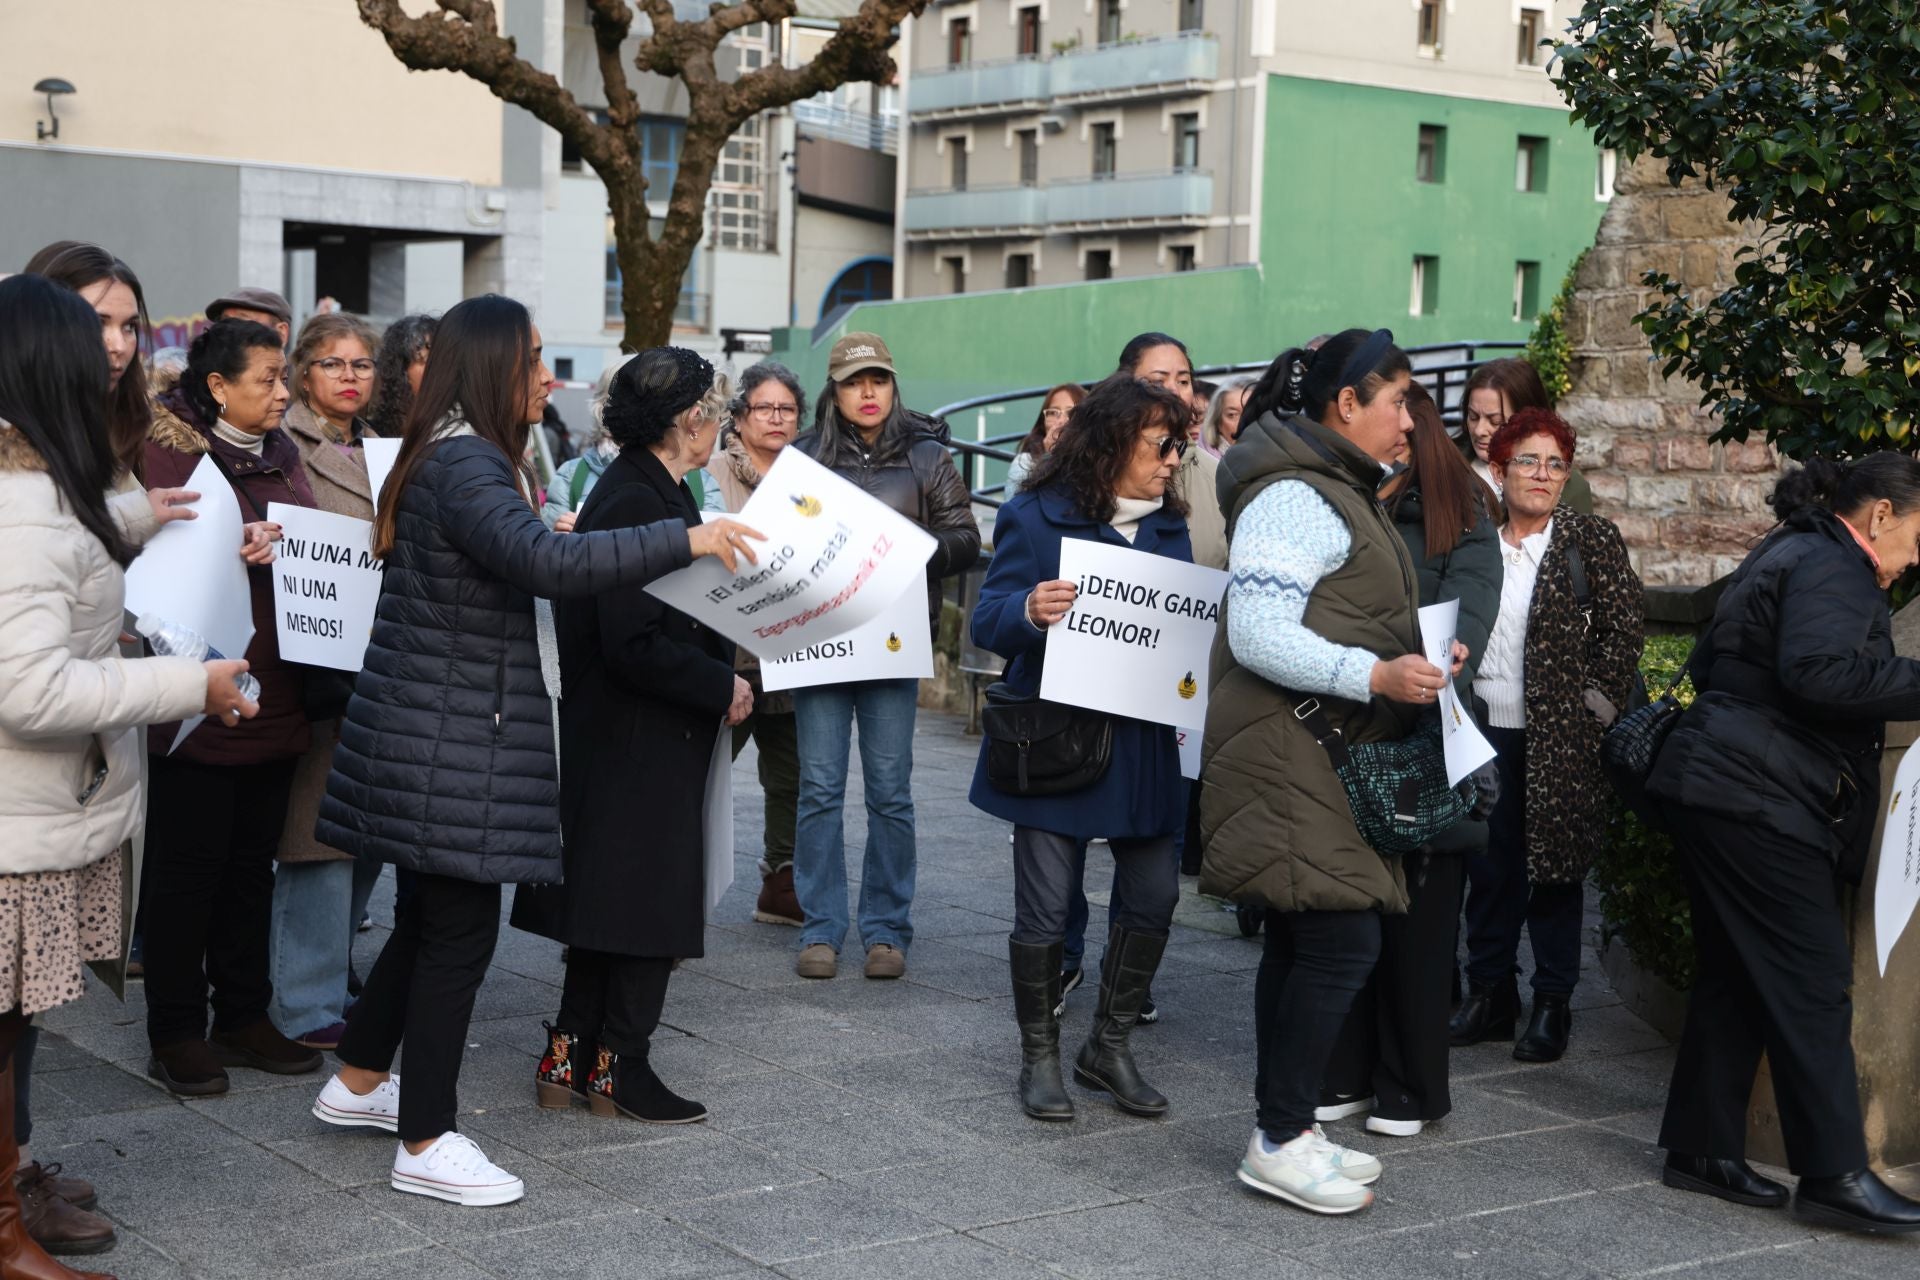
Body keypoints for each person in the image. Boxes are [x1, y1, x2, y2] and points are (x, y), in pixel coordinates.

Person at [307, 294, 761, 1208]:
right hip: (452, 738)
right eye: (535, 359)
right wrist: (689, 534)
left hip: (432, 731)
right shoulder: (470, 463)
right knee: (457, 936)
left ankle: (357, 1080)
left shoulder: (457, 461)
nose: (549, 377)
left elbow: (519, 557)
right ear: (492, 369)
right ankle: (427, 1137)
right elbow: (552, 570)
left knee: (431, 921)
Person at [0, 273, 259, 1280]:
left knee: (13, 1031)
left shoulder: (42, 485)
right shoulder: (23, 504)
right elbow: (27, 685)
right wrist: (182, 679)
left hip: (32, 812)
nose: (118, 359)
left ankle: (13, 1194)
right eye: (95, 340)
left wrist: (136, 519)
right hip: (18, 818)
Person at [1201, 328, 1460, 1215]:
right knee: (1341, 941)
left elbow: (1334, 616)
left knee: (1306, 937)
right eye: (1400, 401)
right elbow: (1260, 635)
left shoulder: (1337, 490)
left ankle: (1290, 1126)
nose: (1411, 419)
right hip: (1293, 754)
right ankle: (1277, 1138)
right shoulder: (1296, 497)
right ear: (1346, 404)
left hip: (1309, 750)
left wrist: (1414, 655)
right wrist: (1379, 675)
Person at [1648, 455, 1920, 1233]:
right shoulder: (1835, 567)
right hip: (1756, 798)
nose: (1917, 556)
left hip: (1716, 783)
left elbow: (1734, 662)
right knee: (1811, 979)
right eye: (1918, 535)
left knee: (1736, 973)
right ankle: (1835, 1172)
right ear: (1880, 517)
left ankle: (1700, 1149)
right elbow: (1817, 675)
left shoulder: (1789, 546)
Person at [515, 348, 742, 1124]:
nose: (721, 425)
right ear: (690, 420)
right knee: (645, 907)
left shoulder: (642, 486)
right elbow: (634, 640)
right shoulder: (640, 498)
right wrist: (724, 684)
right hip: (638, 734)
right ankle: (620, 1068)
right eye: (717, 411)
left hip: (622, 734)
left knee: (607, 908)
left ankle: (568, 1057)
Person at [970, 375, 1194, 1123]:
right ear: (1116, 442)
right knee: (1042, 910)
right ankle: (1039, 1057)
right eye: (1163, 445)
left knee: (1156, 894)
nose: (1173, 461)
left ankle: (1109, 1045)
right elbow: (987, 618)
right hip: (1055, 742)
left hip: (1142, 746)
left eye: (1180, 446)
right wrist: (1029, 611)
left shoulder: (1171, 525)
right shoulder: (1035, 515)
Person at [141, 320, 325, 1097]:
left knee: (253, 867)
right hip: (198, 698)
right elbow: (153, 563)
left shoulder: (283, 456)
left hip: (278, 691)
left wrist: (294, 541)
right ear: (217, 386)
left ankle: (244, 1017)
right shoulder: (171, 451)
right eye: (268, 379)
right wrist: (235, 541)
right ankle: (176, 1030)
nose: (284, 392)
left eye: (286, 377)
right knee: (187, 874)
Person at [1318, 381, 1500, 1137]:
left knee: (1424, 927)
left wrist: (1437, 659)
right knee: (1350, 913)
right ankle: (1346, 1073)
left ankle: (1410, 1086)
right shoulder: (1346, 508)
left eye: (1402, 426)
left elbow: (1470, 624)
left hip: (1428, 735)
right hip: (1351, 726)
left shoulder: (1464, 523)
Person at [1453, 408, 1643, 1062]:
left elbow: (1623, 633)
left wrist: (1594, 710)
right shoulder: (1476, 542)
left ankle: (1553, 1003)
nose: (1542, 474)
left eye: (1555, 463)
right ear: (1499, 471)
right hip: (1485, 732)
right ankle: (1490, 995)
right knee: (1489, 870)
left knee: (1557, 875)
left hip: (1563, 739)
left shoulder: (1588, 539)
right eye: (1528, 461)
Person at [788, 333, 980, 981]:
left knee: (890, 792)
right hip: (821, 642)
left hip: (894, 644)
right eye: (852, 381)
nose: (867, 393)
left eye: (878, 380)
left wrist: (907, 547)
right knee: (818, 788)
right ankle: (820, 927)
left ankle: (886, 929)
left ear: (893, 385)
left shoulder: (927, 455)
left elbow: (965, 540)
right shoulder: (802, 458)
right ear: (833, 391)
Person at [270, 312, 386, 1051]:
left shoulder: (383, 449)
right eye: (333, 364)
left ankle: (336, 974)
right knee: (317, 835)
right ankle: (303, 1000)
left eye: (362, 364)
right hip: (320, 664)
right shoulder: (289, 446)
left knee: (373, 830)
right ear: (302, 373)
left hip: (386, 658)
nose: (350, 377)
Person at [707, 361, 805, 926]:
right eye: (763, 408)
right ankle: (675, 886)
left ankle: (781, 879)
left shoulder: (810, 480)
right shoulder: (711, 474)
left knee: (790, 775)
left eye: (786, 409)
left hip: (790, 654)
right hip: (725, 653)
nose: (775, 417)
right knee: (702, 774)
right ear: (739, 418)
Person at [23, 242, 154, 481]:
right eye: (97, 322)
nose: (119, 346)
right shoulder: (16, 436)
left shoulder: (124, 423)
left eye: (129, 327)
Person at [1459, 358, 1593, 515]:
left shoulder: (1570, 489)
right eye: (1473, 416)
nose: (1479, 430)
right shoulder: (1443, 465)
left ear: (1529, 419)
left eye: (1496, 421)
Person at [541, 358, 628, 533]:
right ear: (604, 406)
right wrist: (557, 537)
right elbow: (543, 552)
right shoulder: (572, 477)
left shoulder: (693, 480)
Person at [1006, 384, 1087, 493]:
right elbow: (1016, 505)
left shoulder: (1094, 462)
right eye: (1053, 413)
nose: (1061, 421)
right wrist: (1050, 458)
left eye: (1070, 413)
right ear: (1043, 422)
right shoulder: (1024, 463)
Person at [367, 314, 436, 442]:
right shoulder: (370, 433)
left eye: (439, 360)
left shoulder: (458, 426)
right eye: (424, 360)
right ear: (400, 369)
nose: (435, 369)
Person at [205, 287, 293, 348]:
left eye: (241, 322)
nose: (229, 331)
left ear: (281, 333)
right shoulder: (203, 372)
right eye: (224, 322)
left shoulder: (298, 374)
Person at [1200, 375, 1254, 457]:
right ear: (1217, 423)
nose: (1243, 423)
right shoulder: (1202, 461)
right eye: (1232, 415)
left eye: (1251, 413)